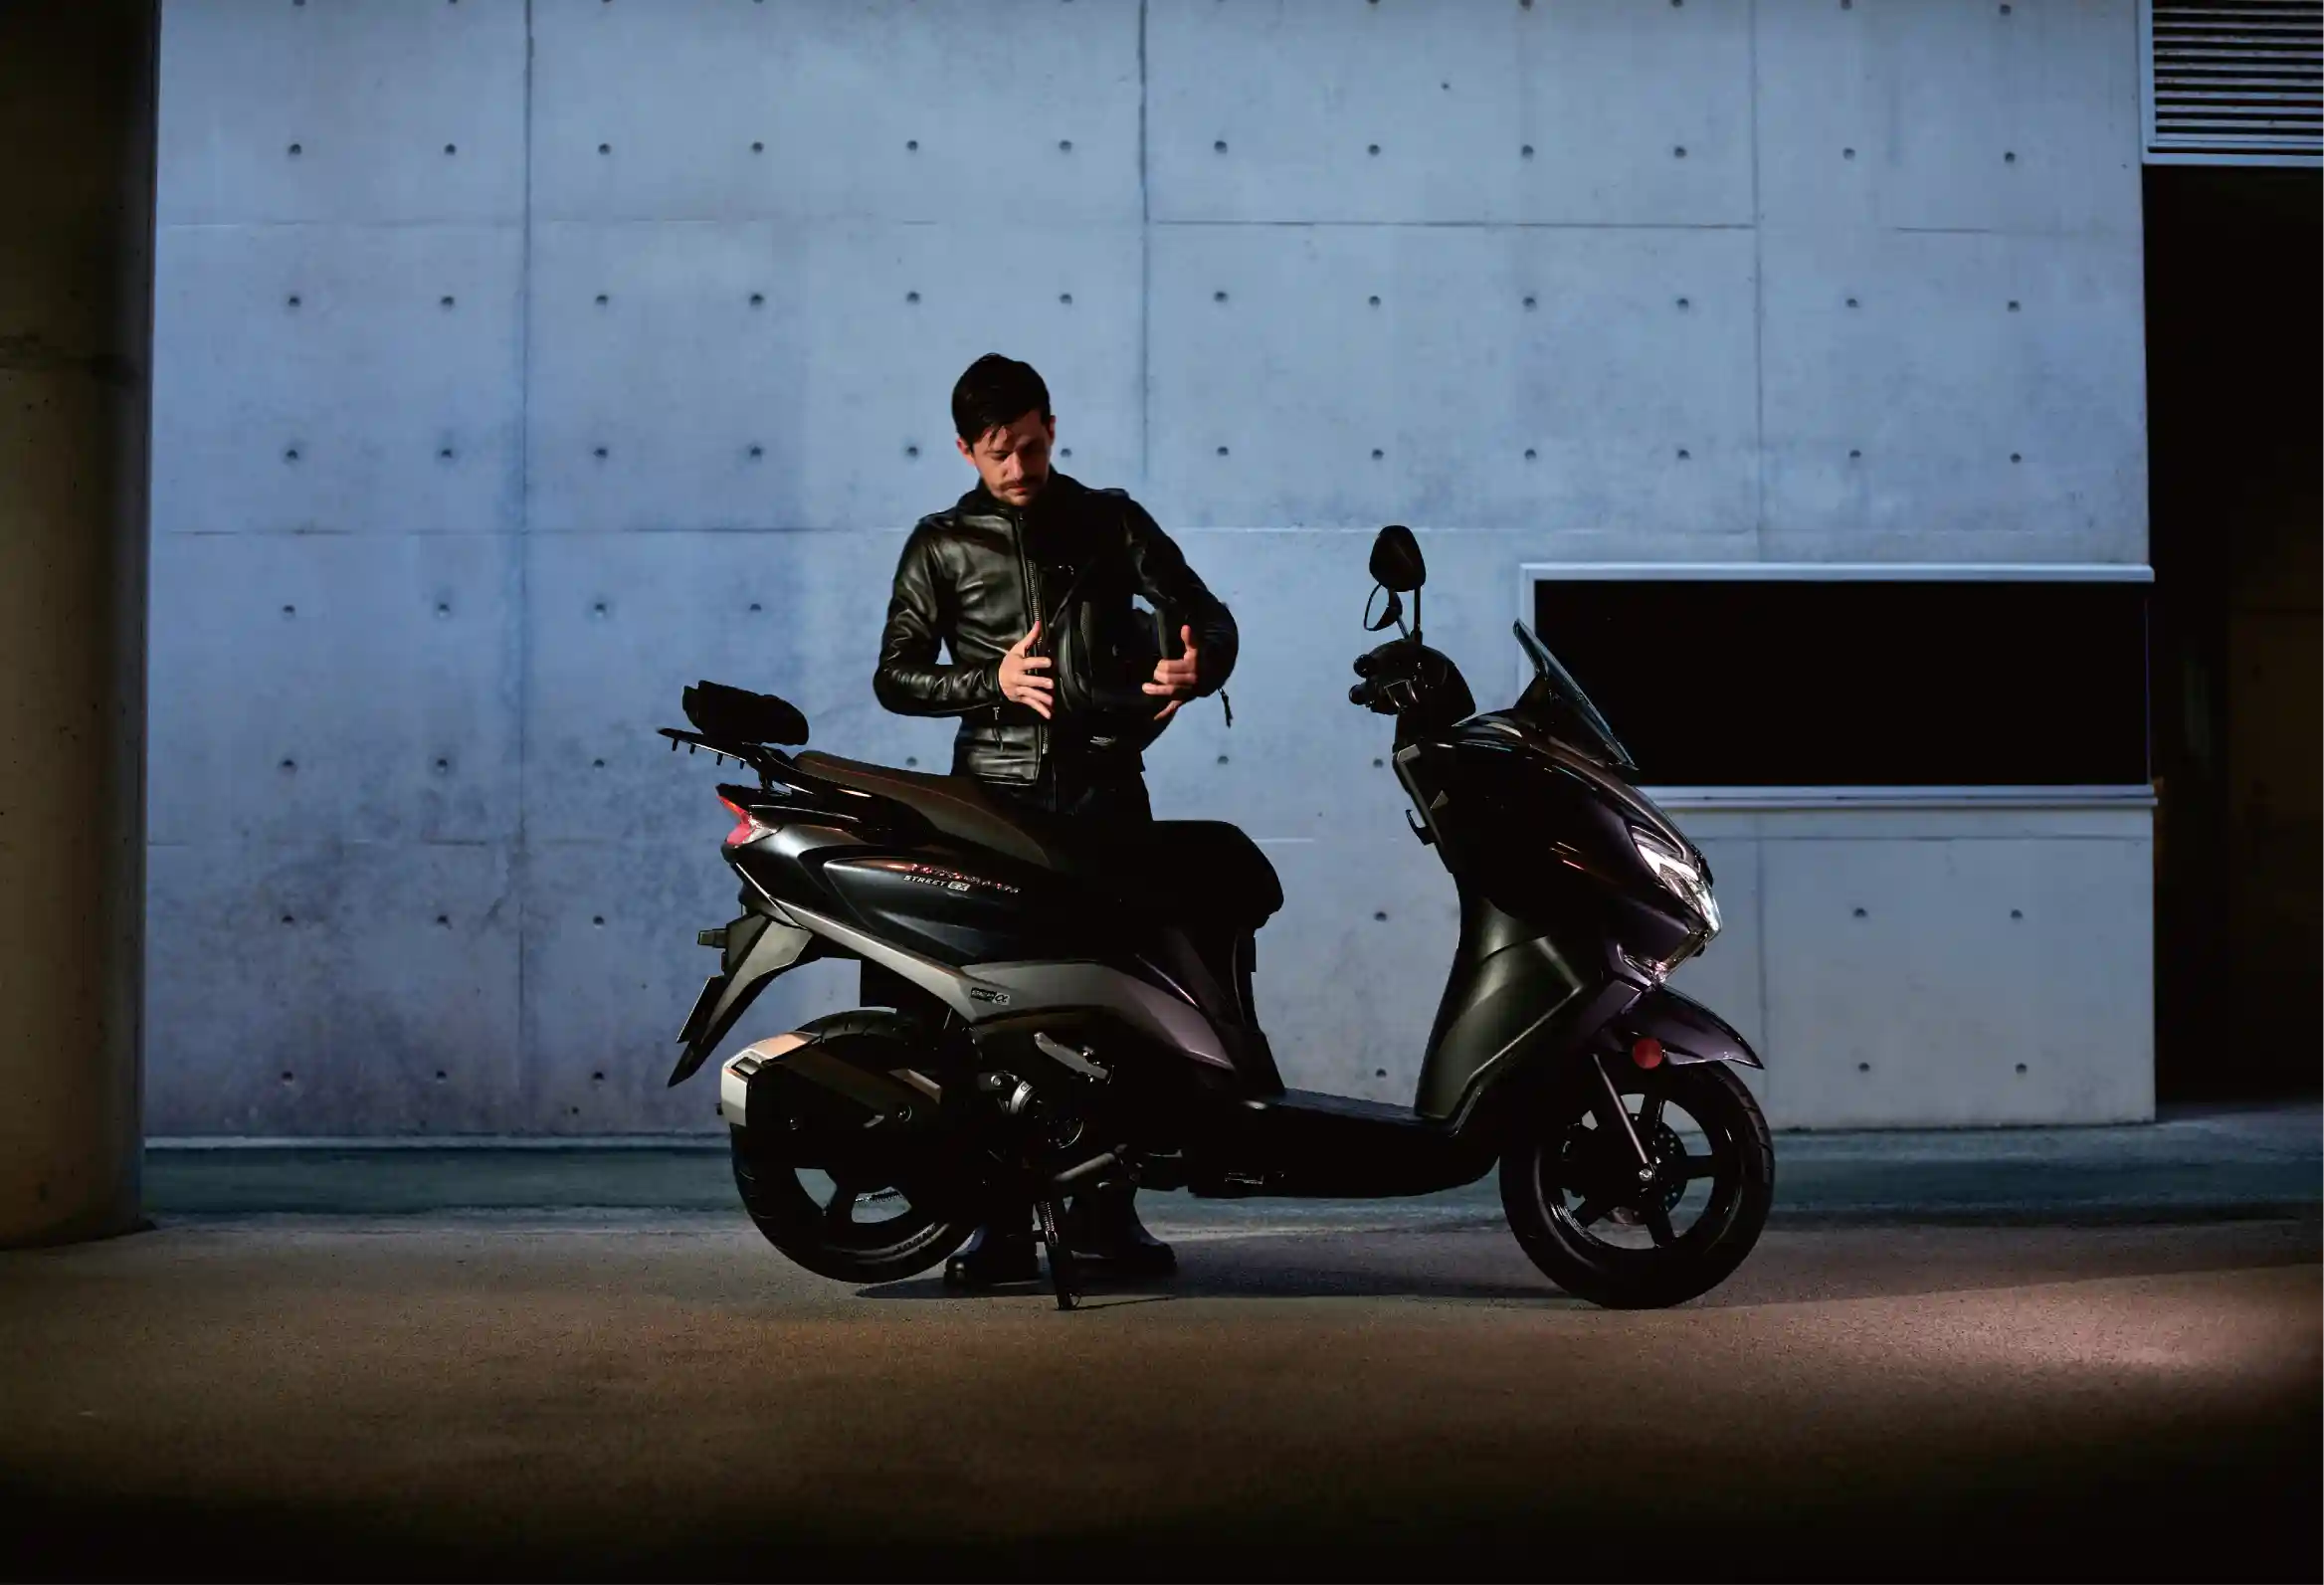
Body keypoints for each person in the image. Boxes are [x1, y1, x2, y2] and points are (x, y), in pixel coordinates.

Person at [873, 352, 1239, 1287]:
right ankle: (990, 1224)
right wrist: (988, 680)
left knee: (1116, 1006)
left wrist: (1199, 665)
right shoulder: (939, 544)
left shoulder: (1110, 519)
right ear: (964, 449)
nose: (1019, 468)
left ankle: (1105, 1220)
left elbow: (1208, 615)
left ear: (1052, 427)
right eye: (998, 453)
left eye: (1032, 446)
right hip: (989, 803)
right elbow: (895, 675)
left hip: (1103, 796)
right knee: (985, 1010)